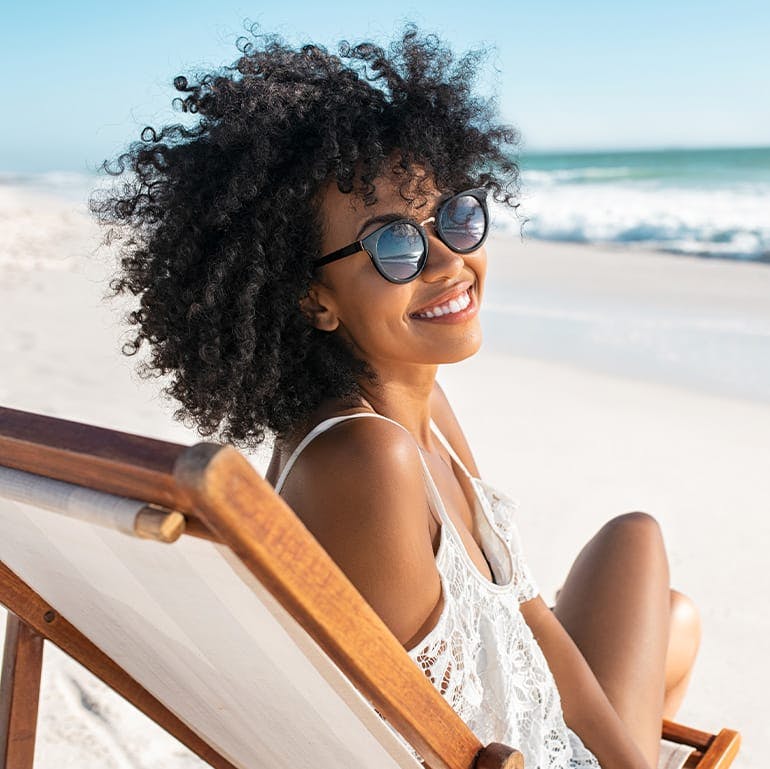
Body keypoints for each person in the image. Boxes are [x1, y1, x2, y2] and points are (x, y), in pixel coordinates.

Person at [91, 24, 701, 769]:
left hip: (518, 713)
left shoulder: (416, 407)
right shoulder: (366, 455)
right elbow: (412, 742)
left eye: (452, 215)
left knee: (664, 599)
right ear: (315, 299)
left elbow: (525, 611)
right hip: (504, 757)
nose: (447, 259)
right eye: (393, 243)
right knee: (657, 591)